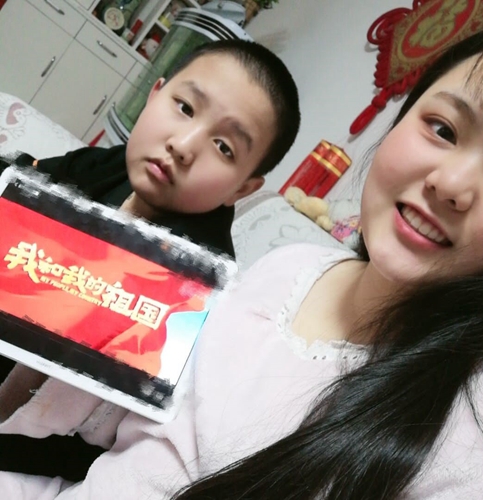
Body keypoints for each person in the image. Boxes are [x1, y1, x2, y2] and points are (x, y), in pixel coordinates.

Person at [3, 24, 483, 500]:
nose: (450, 184)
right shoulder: (288, 269)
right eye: (443, 128)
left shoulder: (476, 441)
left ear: (244, 188)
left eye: (224, 147)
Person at [0, 38, 301, 482]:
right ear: (155, 94)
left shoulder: (196, 285)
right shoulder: (112, 165)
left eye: (224, 147)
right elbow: (27, 180)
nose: (183, 145)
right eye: (185, 107)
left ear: (242, 188)